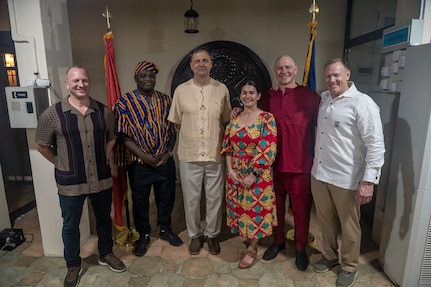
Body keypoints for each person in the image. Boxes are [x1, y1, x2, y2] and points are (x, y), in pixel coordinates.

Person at [35, 66, 126, 287]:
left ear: (89, 83)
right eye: (75, 81)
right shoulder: (53, 114)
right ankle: (73, 264)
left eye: (84, 80)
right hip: (70, 181)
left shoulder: (104, 112)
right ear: (67, 84)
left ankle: (106, 253)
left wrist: (106, 154)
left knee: (104, 219)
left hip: (101, 178)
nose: (80, 84)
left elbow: (112, 137)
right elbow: (41, 144)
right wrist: (61, 163)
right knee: (70, 225)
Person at [310, 58, 385, 287]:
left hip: (347, 178)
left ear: (347, 74)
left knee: (349, 226)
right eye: (328, 76)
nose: (332, 80)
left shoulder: (363, 104)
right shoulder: (324, 99)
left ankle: (350, 265)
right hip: (320, 174)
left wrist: (368, 182)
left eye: (337, 75)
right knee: (325, 221)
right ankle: (330, 256)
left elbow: (375, 145)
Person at [114, 61, 183, 257]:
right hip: (139, 164)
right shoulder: (124, 102)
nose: (148, 79)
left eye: (151, 76)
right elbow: (123, 136)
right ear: (136, 78)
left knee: (166, 197)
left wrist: (168, 152)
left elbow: (172, 131)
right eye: (143, 76)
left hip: (163, 161)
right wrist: (145, 156)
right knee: (140, 200)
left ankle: (165, 228)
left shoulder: (166, 100)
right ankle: (143, 234)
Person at [168, 48, 232, 255]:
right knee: (191, 199)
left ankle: (212, 234)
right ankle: (194, 234)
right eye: (197, 61)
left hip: (215, 153)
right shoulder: (181, 91)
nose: (201, 64)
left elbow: (226, 119)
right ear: (191, 65)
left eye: (205, 60)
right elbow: (176, 122)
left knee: (215, 198)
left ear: (211, 64)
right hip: (189, 154)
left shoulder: (221, 89)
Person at [259, 55, 320, 271]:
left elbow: (323, 130)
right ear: (275, 71)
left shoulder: (311, 97)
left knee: (302, 211)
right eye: (279, 68)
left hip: (301, 166)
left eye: (288, 67)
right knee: (275, 209)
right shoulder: (267, 97)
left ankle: (301, 248)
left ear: (294, 70)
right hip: (273, 166)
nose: (284, 71)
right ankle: (278, 242)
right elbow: (254, 118)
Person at [221, 80, 278, 269]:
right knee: (240, 209)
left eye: (252, 92)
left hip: (258, 175)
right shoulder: (234, 118)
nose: (248, 96)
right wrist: (230, 171)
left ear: (259, 95)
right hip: (236, 173)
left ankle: (253, 248)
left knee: (255, 211)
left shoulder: (266, 118)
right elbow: (227, 147)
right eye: (244, 92)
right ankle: (248, 238)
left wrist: (253, 174)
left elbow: (267, 148)